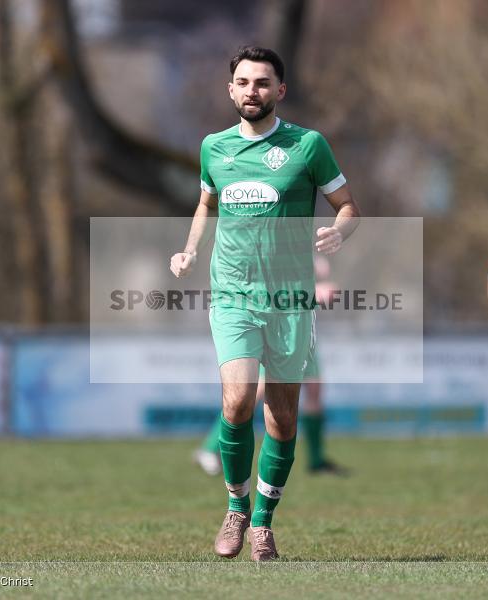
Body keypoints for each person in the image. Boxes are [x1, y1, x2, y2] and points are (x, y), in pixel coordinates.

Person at [170, 46, 360, 561]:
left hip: (291, 299)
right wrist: (190, 249)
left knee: (282, 417)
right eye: (243, 82)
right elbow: (206, 202)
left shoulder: (308, 146)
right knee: (236, 401)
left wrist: (339, 232)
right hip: (233, 293)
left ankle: (263, 521)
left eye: (262, 82)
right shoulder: (214, 147)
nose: (251, 91)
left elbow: (348, 206)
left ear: (280, 90)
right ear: (230, 89)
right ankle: (237, 506)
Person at [194, 255, 348, 477]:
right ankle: (210, 448)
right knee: (252, 394)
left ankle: (316, 461)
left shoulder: (299, 242)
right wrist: (314, 292)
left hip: (302, 327)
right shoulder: (265, 246)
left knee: (314, 389)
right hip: (279, 329)